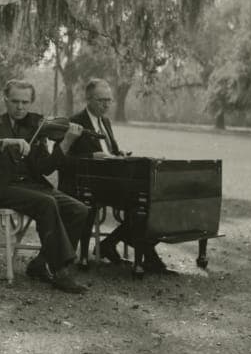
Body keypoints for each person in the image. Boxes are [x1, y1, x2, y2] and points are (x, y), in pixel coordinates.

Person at [0, 79, 91, 294]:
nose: (20, 107)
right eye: (15, 101)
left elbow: (45, 168)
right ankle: (61, 271)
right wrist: (6, 142)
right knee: (46, 203)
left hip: (31, 186)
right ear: (5, 100)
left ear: (31, 102)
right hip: (1, 188)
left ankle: (40, 263)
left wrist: (66, 142)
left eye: (25, 102)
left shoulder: (36, 126)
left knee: (79, 209)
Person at [61, 78, 173, 274]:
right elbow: (62, 160)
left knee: (147, 201)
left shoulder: (105, 122)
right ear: (88, 99)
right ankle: (136, 254)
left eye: (109, 100)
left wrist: (119, 154)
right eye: (101, 100)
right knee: (140, 202)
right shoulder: (75, 122)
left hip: (109, 183)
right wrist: (91, 156)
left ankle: (110, 245)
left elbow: (111, 150)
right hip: (84, 184)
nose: (106, 105)